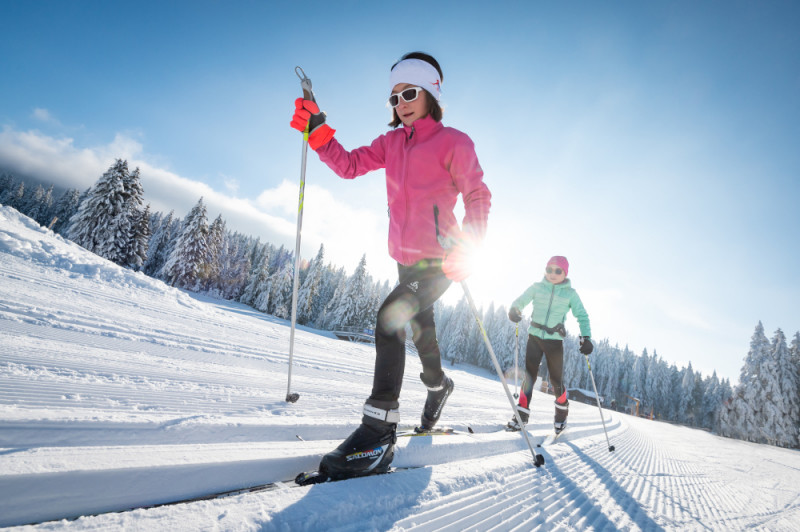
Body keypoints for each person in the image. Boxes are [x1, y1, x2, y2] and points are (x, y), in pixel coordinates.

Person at [290, 52, 491, 480]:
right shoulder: (391, 144)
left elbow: (478, 196)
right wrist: (317, 130)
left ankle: (379, 431)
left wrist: (469, 245)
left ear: (431, 94)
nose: (400, 102)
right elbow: (348, 165)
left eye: (410, 93)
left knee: (389, 320)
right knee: (423, 333)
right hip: (404, 261)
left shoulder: (454, 142)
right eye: (394, 96)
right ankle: (438, 386)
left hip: (440, 262)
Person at [506, 256, 592, 434]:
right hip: (535, 337)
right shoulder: (537, 287)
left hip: (554, 341)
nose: (553, 274)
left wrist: (586, 337)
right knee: (529, 375)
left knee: (556, 380)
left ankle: (561, 414)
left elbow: (582, 316)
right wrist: (514, 309)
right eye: (549, 270)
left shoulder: (570, 294)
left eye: (558, 271)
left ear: (565, 273)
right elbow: (521, 300)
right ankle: (521, 414)